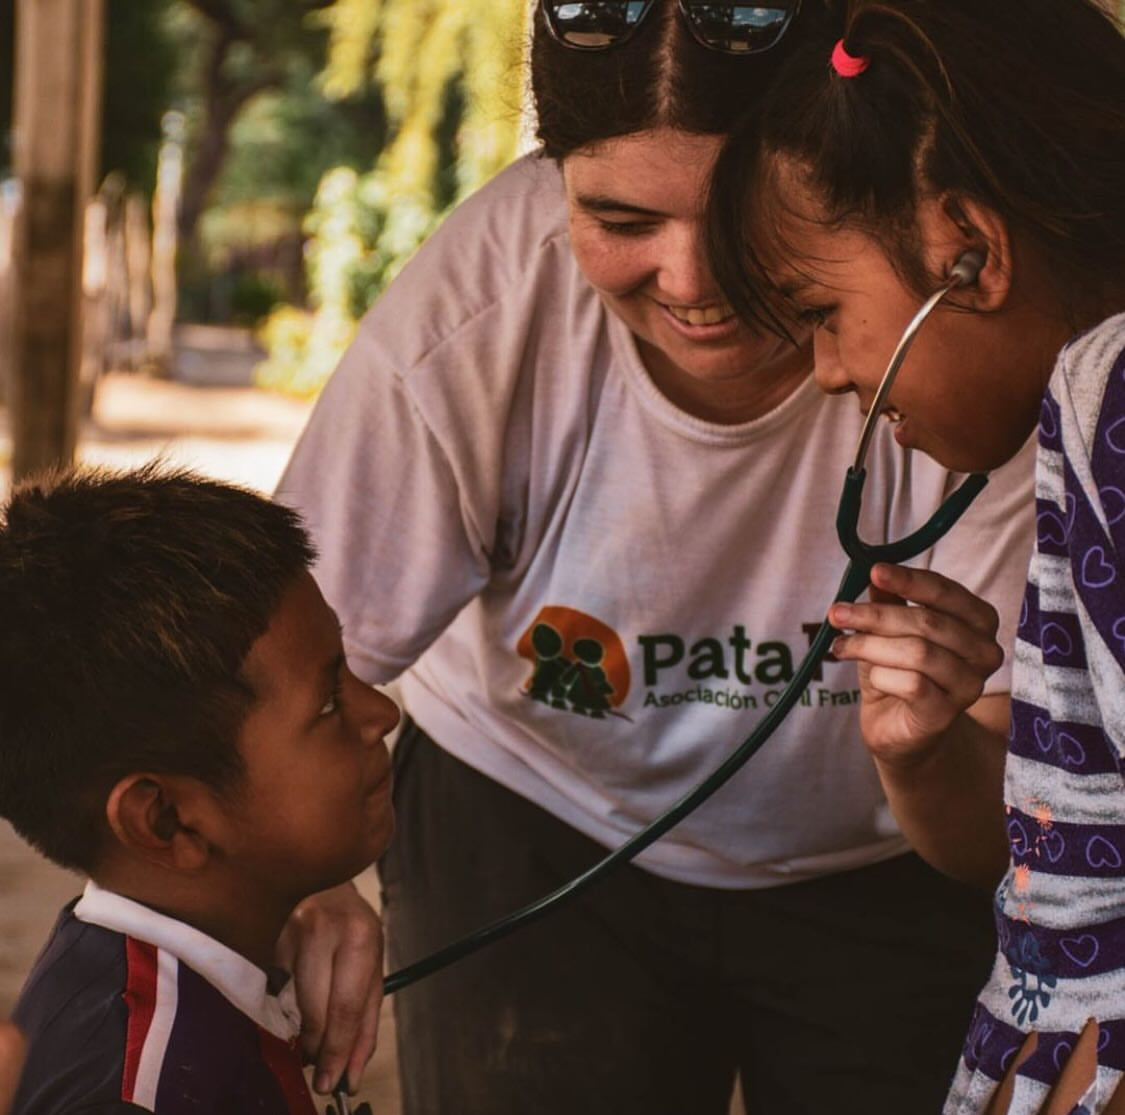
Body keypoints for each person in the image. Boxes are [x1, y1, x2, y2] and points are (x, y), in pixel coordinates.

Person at [277, 2, 1039, 1111]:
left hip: (886, 869)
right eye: (620, 217)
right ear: (556, 192)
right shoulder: (483, 300)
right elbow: (298, 649)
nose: (691, 281)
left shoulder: (972, 337)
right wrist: (308, 882)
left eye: (745, 216)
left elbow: (995, 830)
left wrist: (927, 757)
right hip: (529, 816)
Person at [704, 0, 1125, 1110]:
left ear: (967, 253)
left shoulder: (1109, 389)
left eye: (823, 313)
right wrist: (923, 749)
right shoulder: (1074, 423)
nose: (832, 371)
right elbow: (1073, 861)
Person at [0, 465, 400, 1114]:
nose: (381, 711)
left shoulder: (187, 980)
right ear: (168, 820)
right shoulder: (142, 1089)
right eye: (327, 703)